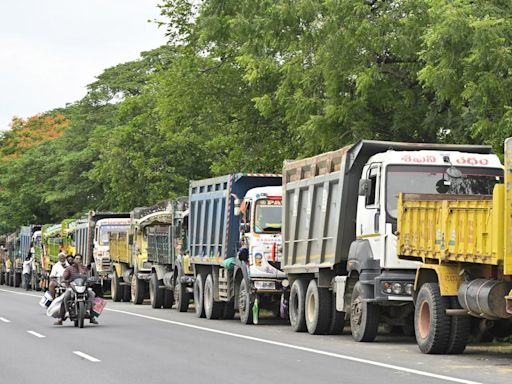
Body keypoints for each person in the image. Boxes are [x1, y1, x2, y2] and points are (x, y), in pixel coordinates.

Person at [54, 254, 97, 326]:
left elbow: (87, 277)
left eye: (79, 259)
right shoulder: (69, 268)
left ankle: (91, 315)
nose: (78, 260)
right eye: (76, 259)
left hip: (83, 287)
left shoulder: (84, 268)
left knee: (92, 294)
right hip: (72, 288)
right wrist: (64, 280)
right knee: (66, 296)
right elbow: (64, 277)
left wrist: (90, 280)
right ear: (74, 260)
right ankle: (61, 318)